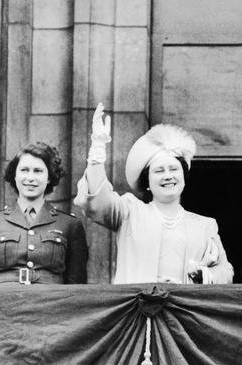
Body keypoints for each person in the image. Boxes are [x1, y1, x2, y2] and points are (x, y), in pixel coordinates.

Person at [75, 104, 233, 284]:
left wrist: (204, 275)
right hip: (138, 309)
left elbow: (226, 272)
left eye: (173, 169)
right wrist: (97, 149)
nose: (168, 176)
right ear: (147, 183)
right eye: (159, 171)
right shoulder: (130, 212)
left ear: (183, 176)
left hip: (183, 310)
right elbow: (96, 202)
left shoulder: (205, 226)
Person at [0, 143, 88, 284]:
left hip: (50, 304)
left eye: (38, 171)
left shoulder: (70, 225)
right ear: (14, 175)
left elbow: (77, 287)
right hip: (4, 303)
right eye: (24, 170)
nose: (30, 177)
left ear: (49, 177)